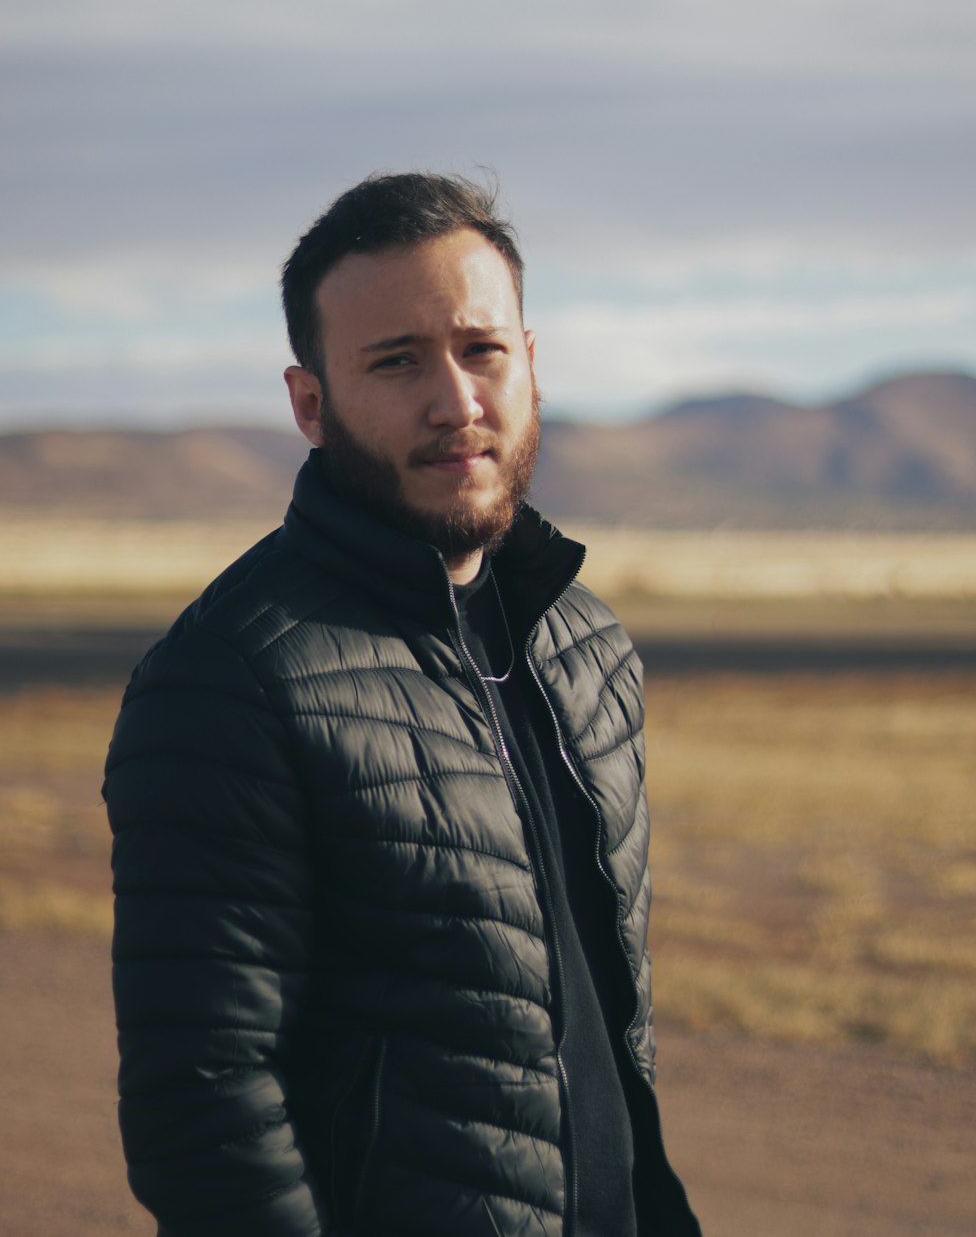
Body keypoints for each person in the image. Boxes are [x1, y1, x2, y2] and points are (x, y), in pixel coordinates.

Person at [104, 172, 701, 1237]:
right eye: (395, 362)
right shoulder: (231, 680)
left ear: (531, 364)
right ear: (309, 405)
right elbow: (204, 1105)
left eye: (481, 349)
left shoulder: (587, 643)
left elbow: (602, 1025)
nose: (454, 402)